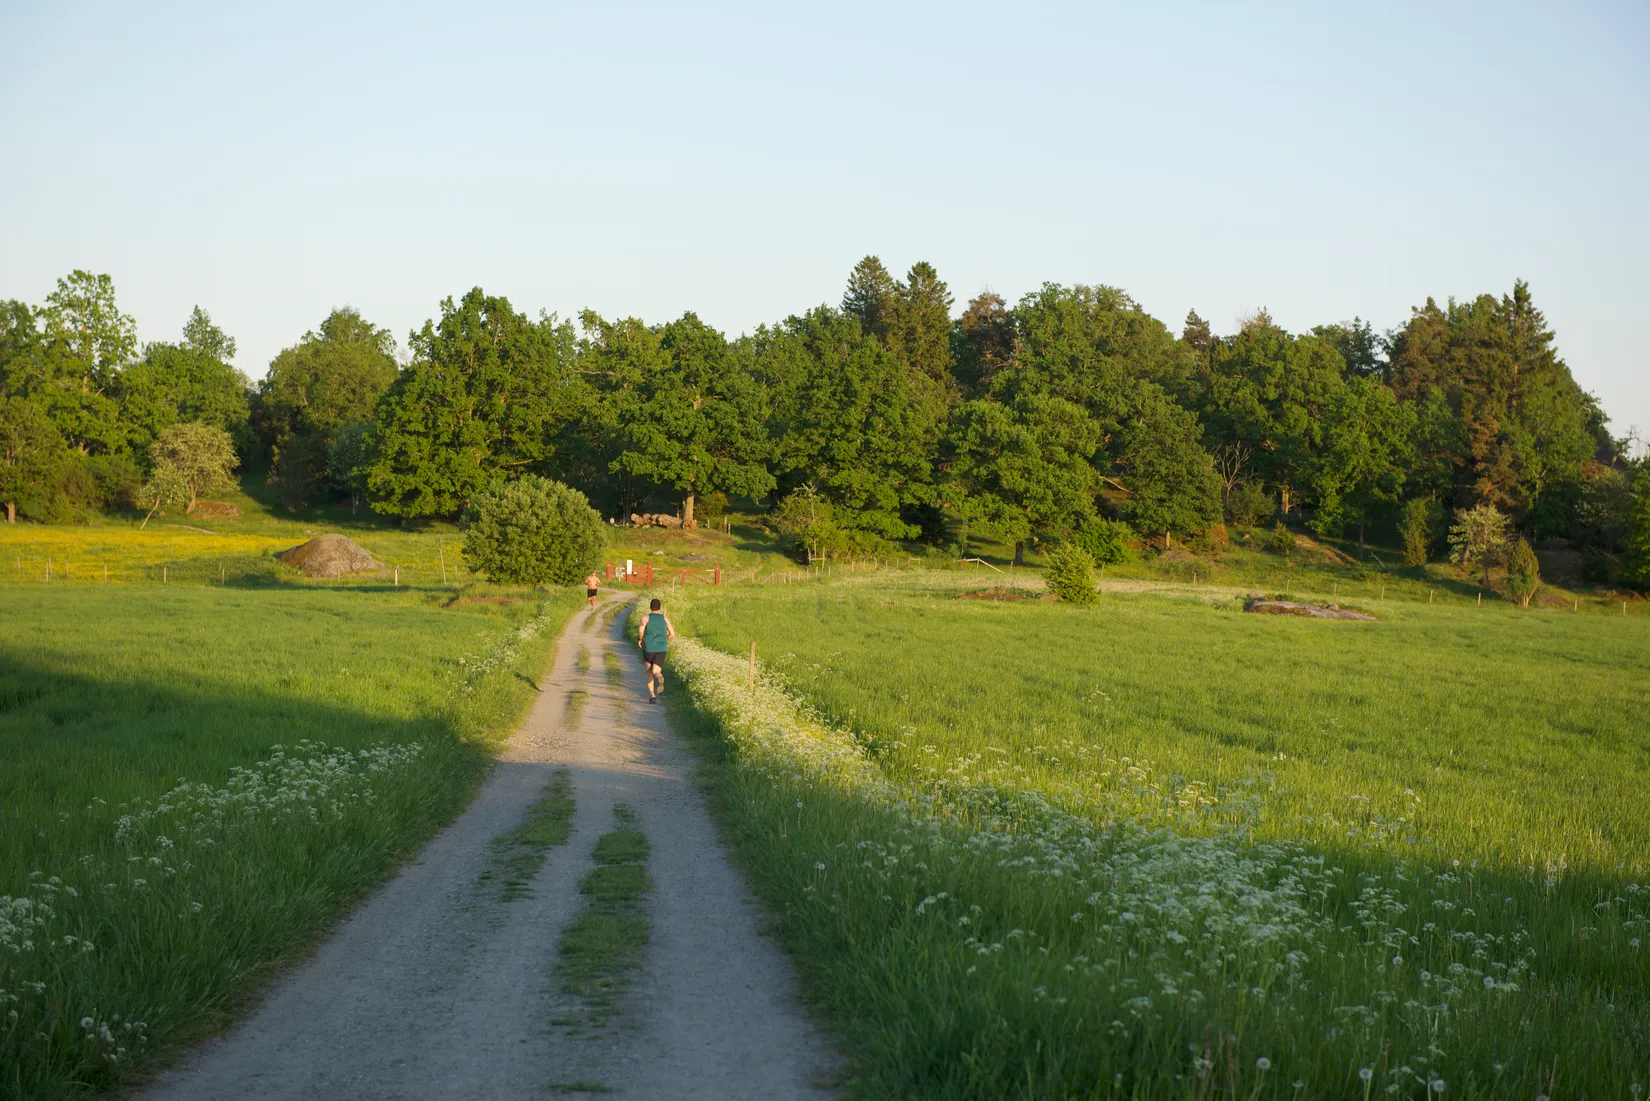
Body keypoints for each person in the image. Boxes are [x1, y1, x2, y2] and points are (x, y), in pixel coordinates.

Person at [636, 597, 675, 704]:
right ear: (659, 608)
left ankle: (652, 696)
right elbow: (672, 634)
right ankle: (659, 676)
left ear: (650, 607)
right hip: (661, 649)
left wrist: (640, 639)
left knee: (649, 672)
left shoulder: (645, 618)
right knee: (656, 671)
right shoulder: (665, 619)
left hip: (649, 648)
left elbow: (640, 631)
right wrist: (664, 640)